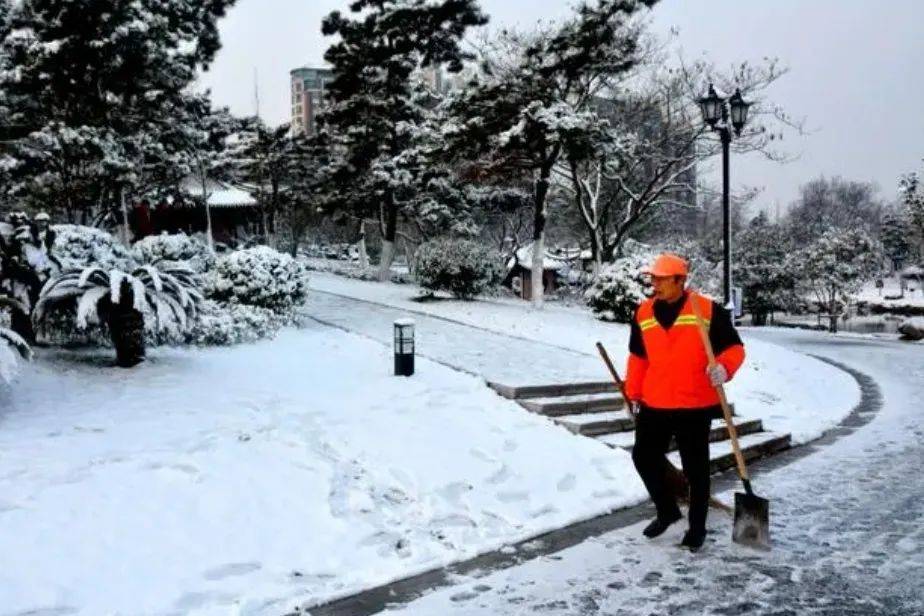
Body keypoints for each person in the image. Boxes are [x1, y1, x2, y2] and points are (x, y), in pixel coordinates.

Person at [625, 253, 745, 550]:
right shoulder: (642, 313)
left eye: (661, 279)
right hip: (655, 402)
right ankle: (667, 510)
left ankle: (697, 526)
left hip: (694, 404)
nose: (655, 284)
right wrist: (633, 393)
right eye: (652, 278)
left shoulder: (706, 309)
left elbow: (734, 348)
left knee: (696, 469)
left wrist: (724, 367)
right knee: (643, 456)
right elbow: (638, 358)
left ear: (680, 280)